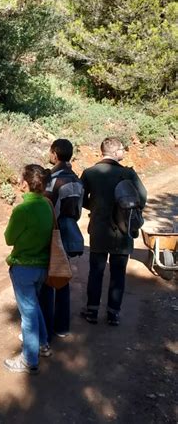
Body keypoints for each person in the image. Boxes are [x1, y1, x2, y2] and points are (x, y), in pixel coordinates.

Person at [80, 137, 147, 326]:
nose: (124, 152)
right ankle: (113, 314)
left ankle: (92, 311)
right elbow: (142, 197)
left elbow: (80, 198)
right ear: (116, 152)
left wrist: (94, 206)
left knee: (96, 272)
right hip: (123, 231)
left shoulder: (90, 173)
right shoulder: (127, 173)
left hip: (99, 230)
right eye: (122, 149)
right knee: (118, 274)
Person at [4, 164, 53, 375]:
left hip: (24, 266)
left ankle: (29, 359)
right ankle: (43, 344)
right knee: (34, 307)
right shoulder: (48, 204)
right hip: (43, 266)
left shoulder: (22, 209)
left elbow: (9, 238)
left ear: (25, 183)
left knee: (28, 315)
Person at [40, 139, 84, 340]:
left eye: (51, 152)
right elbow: (78, 210)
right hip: (70, 230)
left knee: (49, 280)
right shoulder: (77, 180)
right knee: (63, 277)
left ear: (55, 154)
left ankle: (46, 329)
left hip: (53, 232)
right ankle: (62, 326)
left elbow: (47, 208)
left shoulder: (53, 179)